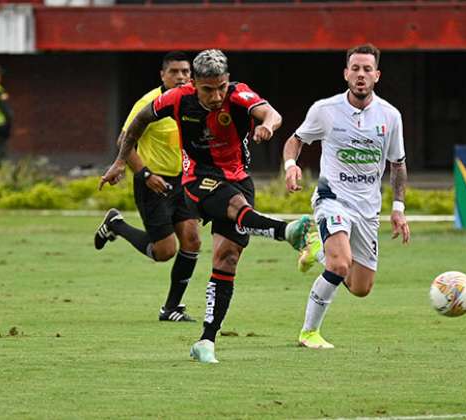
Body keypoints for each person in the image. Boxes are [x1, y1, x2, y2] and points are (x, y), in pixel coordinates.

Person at [99, 49, 312, 364]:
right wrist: (121, 162)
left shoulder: (239, 93)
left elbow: (272, 114)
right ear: (195, 84)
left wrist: (267, 125)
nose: (216, 96)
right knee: (229, 209)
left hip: (239, 178)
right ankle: (287, 231)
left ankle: (206, 342)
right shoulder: (175, 99)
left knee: (226, 259)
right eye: (208, 89)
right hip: (197, 179)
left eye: (221, 87)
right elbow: (137, 124)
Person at [282, 43, 411, 350]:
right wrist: (291, 166)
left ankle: (315, 248)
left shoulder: (390, 116)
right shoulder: (325, 110)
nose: (361, 75)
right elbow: (295, 140)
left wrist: (398, 207)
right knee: (340, 265)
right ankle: (308, 333)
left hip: (367, 208)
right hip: (332, 199)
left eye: (367, 69)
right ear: (346, 74)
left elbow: (398, 163)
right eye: (355, 69)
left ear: (377, 75)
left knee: (360, 287)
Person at [94, 51, 201, 322]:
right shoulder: (149, 102)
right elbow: (125, 141)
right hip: (153, 183)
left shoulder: (196, 100)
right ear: (162, 75)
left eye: (185, 72)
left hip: (184, 183)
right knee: (164, 252)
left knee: (192, 239)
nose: (181, 77)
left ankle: (172, 308)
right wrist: (144, 174)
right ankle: (116, 224)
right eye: (174, 72)